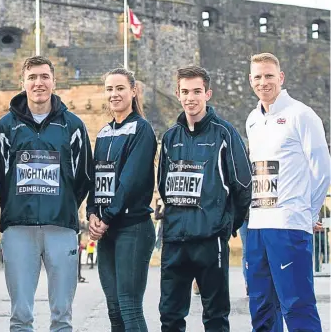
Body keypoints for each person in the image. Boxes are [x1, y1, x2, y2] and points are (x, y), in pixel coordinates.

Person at [0, 55, 93, 332]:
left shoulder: (73, 125)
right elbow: (0, 178)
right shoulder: (5, 126)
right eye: (32, 77)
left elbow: (85, 174)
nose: (39, 83)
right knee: (20, 315)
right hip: (18, 228)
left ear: (54, 81)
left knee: (62, 315)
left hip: (61, 227)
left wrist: (65, 205)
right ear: (22, 83)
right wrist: (16, 206)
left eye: (44, 77)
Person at [157, 65, 252, 331]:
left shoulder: (224, 133)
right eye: (185, 91)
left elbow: (243, 185)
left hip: (211, 240)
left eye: (197, 91)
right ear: (177, 94)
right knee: (170, 316)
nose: (191, 97)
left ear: (207, 93)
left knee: (215, 316)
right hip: (175, 239)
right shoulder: (169, 137)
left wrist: (227, 224)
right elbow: (164, 186)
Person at [245, 52, 331, 332]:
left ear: (281, 77)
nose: (263, 82)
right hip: (257, 225)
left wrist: (308, 212)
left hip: (288, 226)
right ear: (250, 81)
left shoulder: (302, 115)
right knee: (261, 307)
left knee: (296, 306)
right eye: (257, 76)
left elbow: (322, 169)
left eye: (269, 75)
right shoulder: (252, 120)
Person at [87, 67, 157, 331]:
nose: (114, 94)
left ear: (133, 91)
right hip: (107, 230)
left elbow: (132, 180)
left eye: (120, 88)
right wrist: (92, 213)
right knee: (114, 308)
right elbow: (95, 178)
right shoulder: (104, 132)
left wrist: (105, 217)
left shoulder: (142, 129)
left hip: (132, 227)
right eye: (109, 89)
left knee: (129, 306)